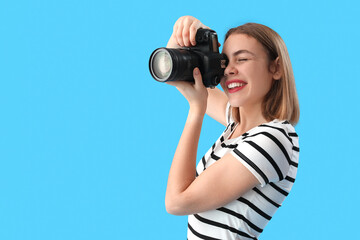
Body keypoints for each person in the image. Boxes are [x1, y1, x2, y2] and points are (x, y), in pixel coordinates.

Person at [164, 16, 300, 240]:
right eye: (224, 61)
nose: (229, 70)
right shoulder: (236, 124)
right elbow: (174, 71)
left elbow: (176, 202)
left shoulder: (274, 138)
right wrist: (189, 31)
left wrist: (197, 110)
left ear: (275, 68)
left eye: (243, 59)